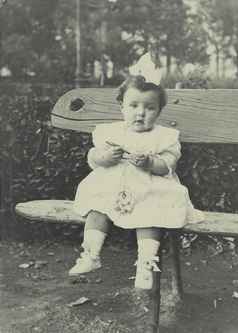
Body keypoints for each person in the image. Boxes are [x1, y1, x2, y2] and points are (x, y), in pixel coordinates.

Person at [70, 53, 203, 289]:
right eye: (133, 106)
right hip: (112, 187)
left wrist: (150, 163)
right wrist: (107, 157)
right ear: (122, 107)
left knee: (151, 214)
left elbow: (168, 166)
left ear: (159, 111)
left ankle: (146, 266)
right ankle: (91, 255)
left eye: (149, 107)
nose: (140, 113)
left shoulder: (164, 137)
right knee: (97, 207)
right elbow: (94, 157)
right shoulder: (111, 132)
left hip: (149, 187)